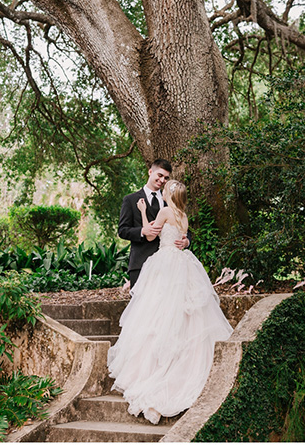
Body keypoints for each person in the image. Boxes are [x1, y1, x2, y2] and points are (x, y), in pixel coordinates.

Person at [107, 179, 233, 424]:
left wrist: (143, 212)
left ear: (170, 195)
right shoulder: (183, 215)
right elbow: (181, 237)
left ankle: (154, 370)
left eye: (165, 189)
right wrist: (184, 241)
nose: (162, 190)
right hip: (183, 264)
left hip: (164, 263)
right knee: (182, 314)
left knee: (156, 311)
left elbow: (152, 234)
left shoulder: (164, 211)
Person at [117, 159, 189, 287]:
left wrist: (186, 241)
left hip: (169, 266)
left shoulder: (170, 201)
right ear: (150, 172)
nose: (162, 180)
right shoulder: (130, 199)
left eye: (166, 178)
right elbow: (122, 230)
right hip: (140, 263)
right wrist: (142, 231)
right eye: (160, 175)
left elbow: (184, 229)